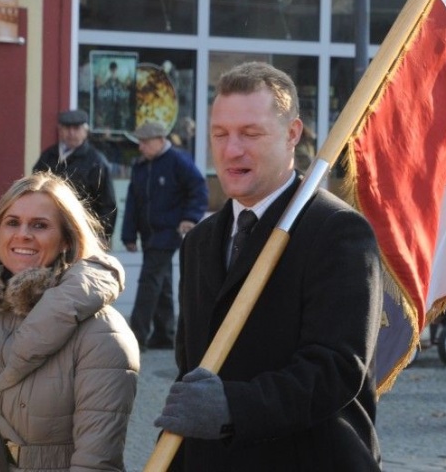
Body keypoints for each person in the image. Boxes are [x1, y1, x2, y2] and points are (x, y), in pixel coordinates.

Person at [154, 61, 383, 471]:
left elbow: (334, 370)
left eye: (250, 134)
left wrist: (232, 407)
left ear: (292, 133)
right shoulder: (201, 242)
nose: (231, 150)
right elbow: (192, 370)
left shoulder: (337, 231)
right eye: (220, 134)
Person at [0, 172, 139, 471]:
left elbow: (95, 463)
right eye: (12, 222)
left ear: (66, 240)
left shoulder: (101, 332)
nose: (23, 234)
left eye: (40, 225)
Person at [122, 121, 208, 352]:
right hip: (149, 233)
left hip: (168, 232)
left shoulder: (178, 161)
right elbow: (133, 202)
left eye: (145, 142)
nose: (140, 147)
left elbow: (199, 189)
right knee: (163, 282)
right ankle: (164, 334)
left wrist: (190, 217)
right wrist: (128, 234)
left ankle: (136, 337)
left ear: (160, 140)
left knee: (149, 281)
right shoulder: (141, 166)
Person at [33, 109, 118, 245]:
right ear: (60, 130)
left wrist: (102, 235)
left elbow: (107, 202)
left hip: (83, 231)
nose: (71, 133)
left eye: (76, 128)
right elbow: (34, 190)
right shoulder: (49, 156)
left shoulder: (96, 161)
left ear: (85, 132)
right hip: (49, 227)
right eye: (67, 128)